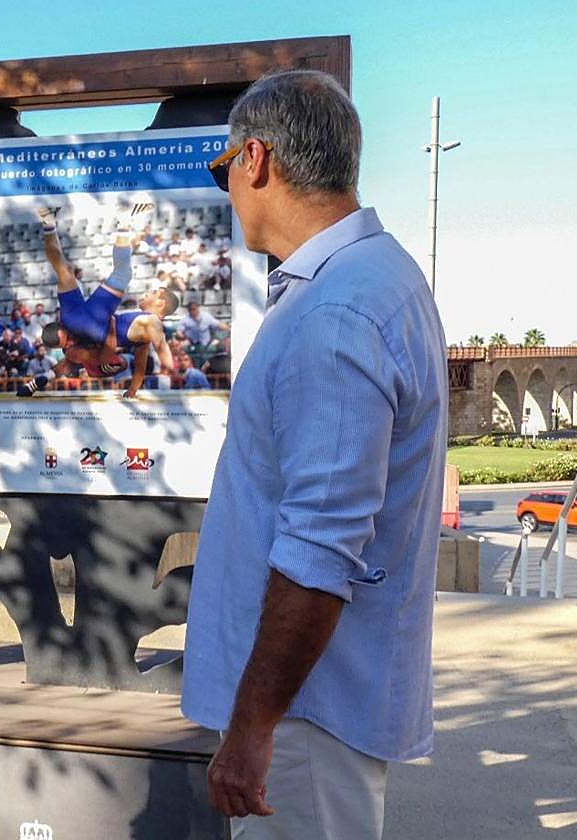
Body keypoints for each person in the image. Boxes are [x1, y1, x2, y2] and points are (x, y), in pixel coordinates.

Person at [181, 70, 447, 839]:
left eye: (223, 167)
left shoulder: (336, 309)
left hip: (303, 723)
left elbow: (320, 548)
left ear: (255, 160)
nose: (227, 187)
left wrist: (253, 729)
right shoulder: (365, 281)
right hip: (314, 713)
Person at [35, 205, 178, 399]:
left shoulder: (153, 322)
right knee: (64, 270)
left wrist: (169, 365)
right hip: (80, 322)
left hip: (94, 322)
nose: (147, 293)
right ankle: (48, 222)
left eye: (153, 292)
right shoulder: (145, 330)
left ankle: (123, 222)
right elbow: (141, 365)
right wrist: (133, 389)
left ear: (161, 303)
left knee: (114, 272)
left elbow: (161, 346)